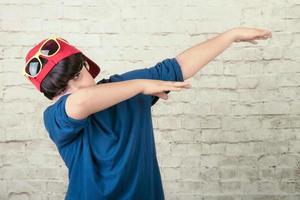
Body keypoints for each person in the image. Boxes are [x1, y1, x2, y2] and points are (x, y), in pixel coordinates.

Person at [22, 27, 272, 200]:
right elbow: (79, 102)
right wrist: (142, 85)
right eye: (62, 89)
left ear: (87, 65)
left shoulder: (122, 89)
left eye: (77, 76)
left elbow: (179, 66)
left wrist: (230, 35)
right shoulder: (55, 117)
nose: (74, 89)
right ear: (53, 97)